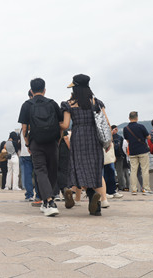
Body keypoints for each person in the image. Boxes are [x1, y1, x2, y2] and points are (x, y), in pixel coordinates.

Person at [60, 74, 109, 216]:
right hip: (94, 138)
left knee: (79, 167)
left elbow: (66, 124)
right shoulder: (96, 102)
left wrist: (57, 125)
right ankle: (96, 205)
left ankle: (87, 192)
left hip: (79, 137)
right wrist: (108, 141)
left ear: (75, 88)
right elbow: (105, 122)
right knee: (94, 170)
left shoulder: (69, 104)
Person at [18, 78, 62, 216]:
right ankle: (49, 199)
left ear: (31, 90)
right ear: (44, 90)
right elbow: (61, 125)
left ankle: (48, 202)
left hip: (36, 142)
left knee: (40, 170)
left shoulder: (26, 105)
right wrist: (58, 141)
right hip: (52, 142)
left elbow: (24, 128)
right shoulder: (52, 103)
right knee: (52, 171)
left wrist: (27, 143)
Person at [123, 111, 153, 195]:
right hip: (143, 150)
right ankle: (146, 188)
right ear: (137, 118)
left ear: (129, 118)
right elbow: (148, 137)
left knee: (133, 171)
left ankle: (134, 189)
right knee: (145, 170)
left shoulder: (126, 128)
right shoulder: (141, 126)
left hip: (132, 151)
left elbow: (127, 140)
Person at [112, 125, 129, 191]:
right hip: (119, 157)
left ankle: (113, 186)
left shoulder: (109, 138)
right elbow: (123, 148)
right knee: (120, 172)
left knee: (111, 172)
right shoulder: (120, 137)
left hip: (112, 157)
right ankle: (121, 187)